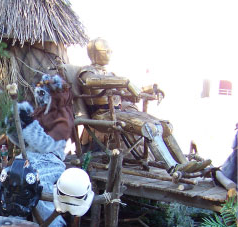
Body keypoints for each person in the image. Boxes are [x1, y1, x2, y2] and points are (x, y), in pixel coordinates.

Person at [77, 37, 211, 174]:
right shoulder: (87, 72)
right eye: (107, 51)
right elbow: (91, 82)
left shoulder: (110, 74)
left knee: (163, 125)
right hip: (102, 116)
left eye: (110, 51)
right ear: (96, 52)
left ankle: (184, 163)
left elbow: (128, 90)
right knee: (149, 128)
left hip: (118, 113)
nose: (110, 54)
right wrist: (125, 81)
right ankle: (172, 167)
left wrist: (150, 89)